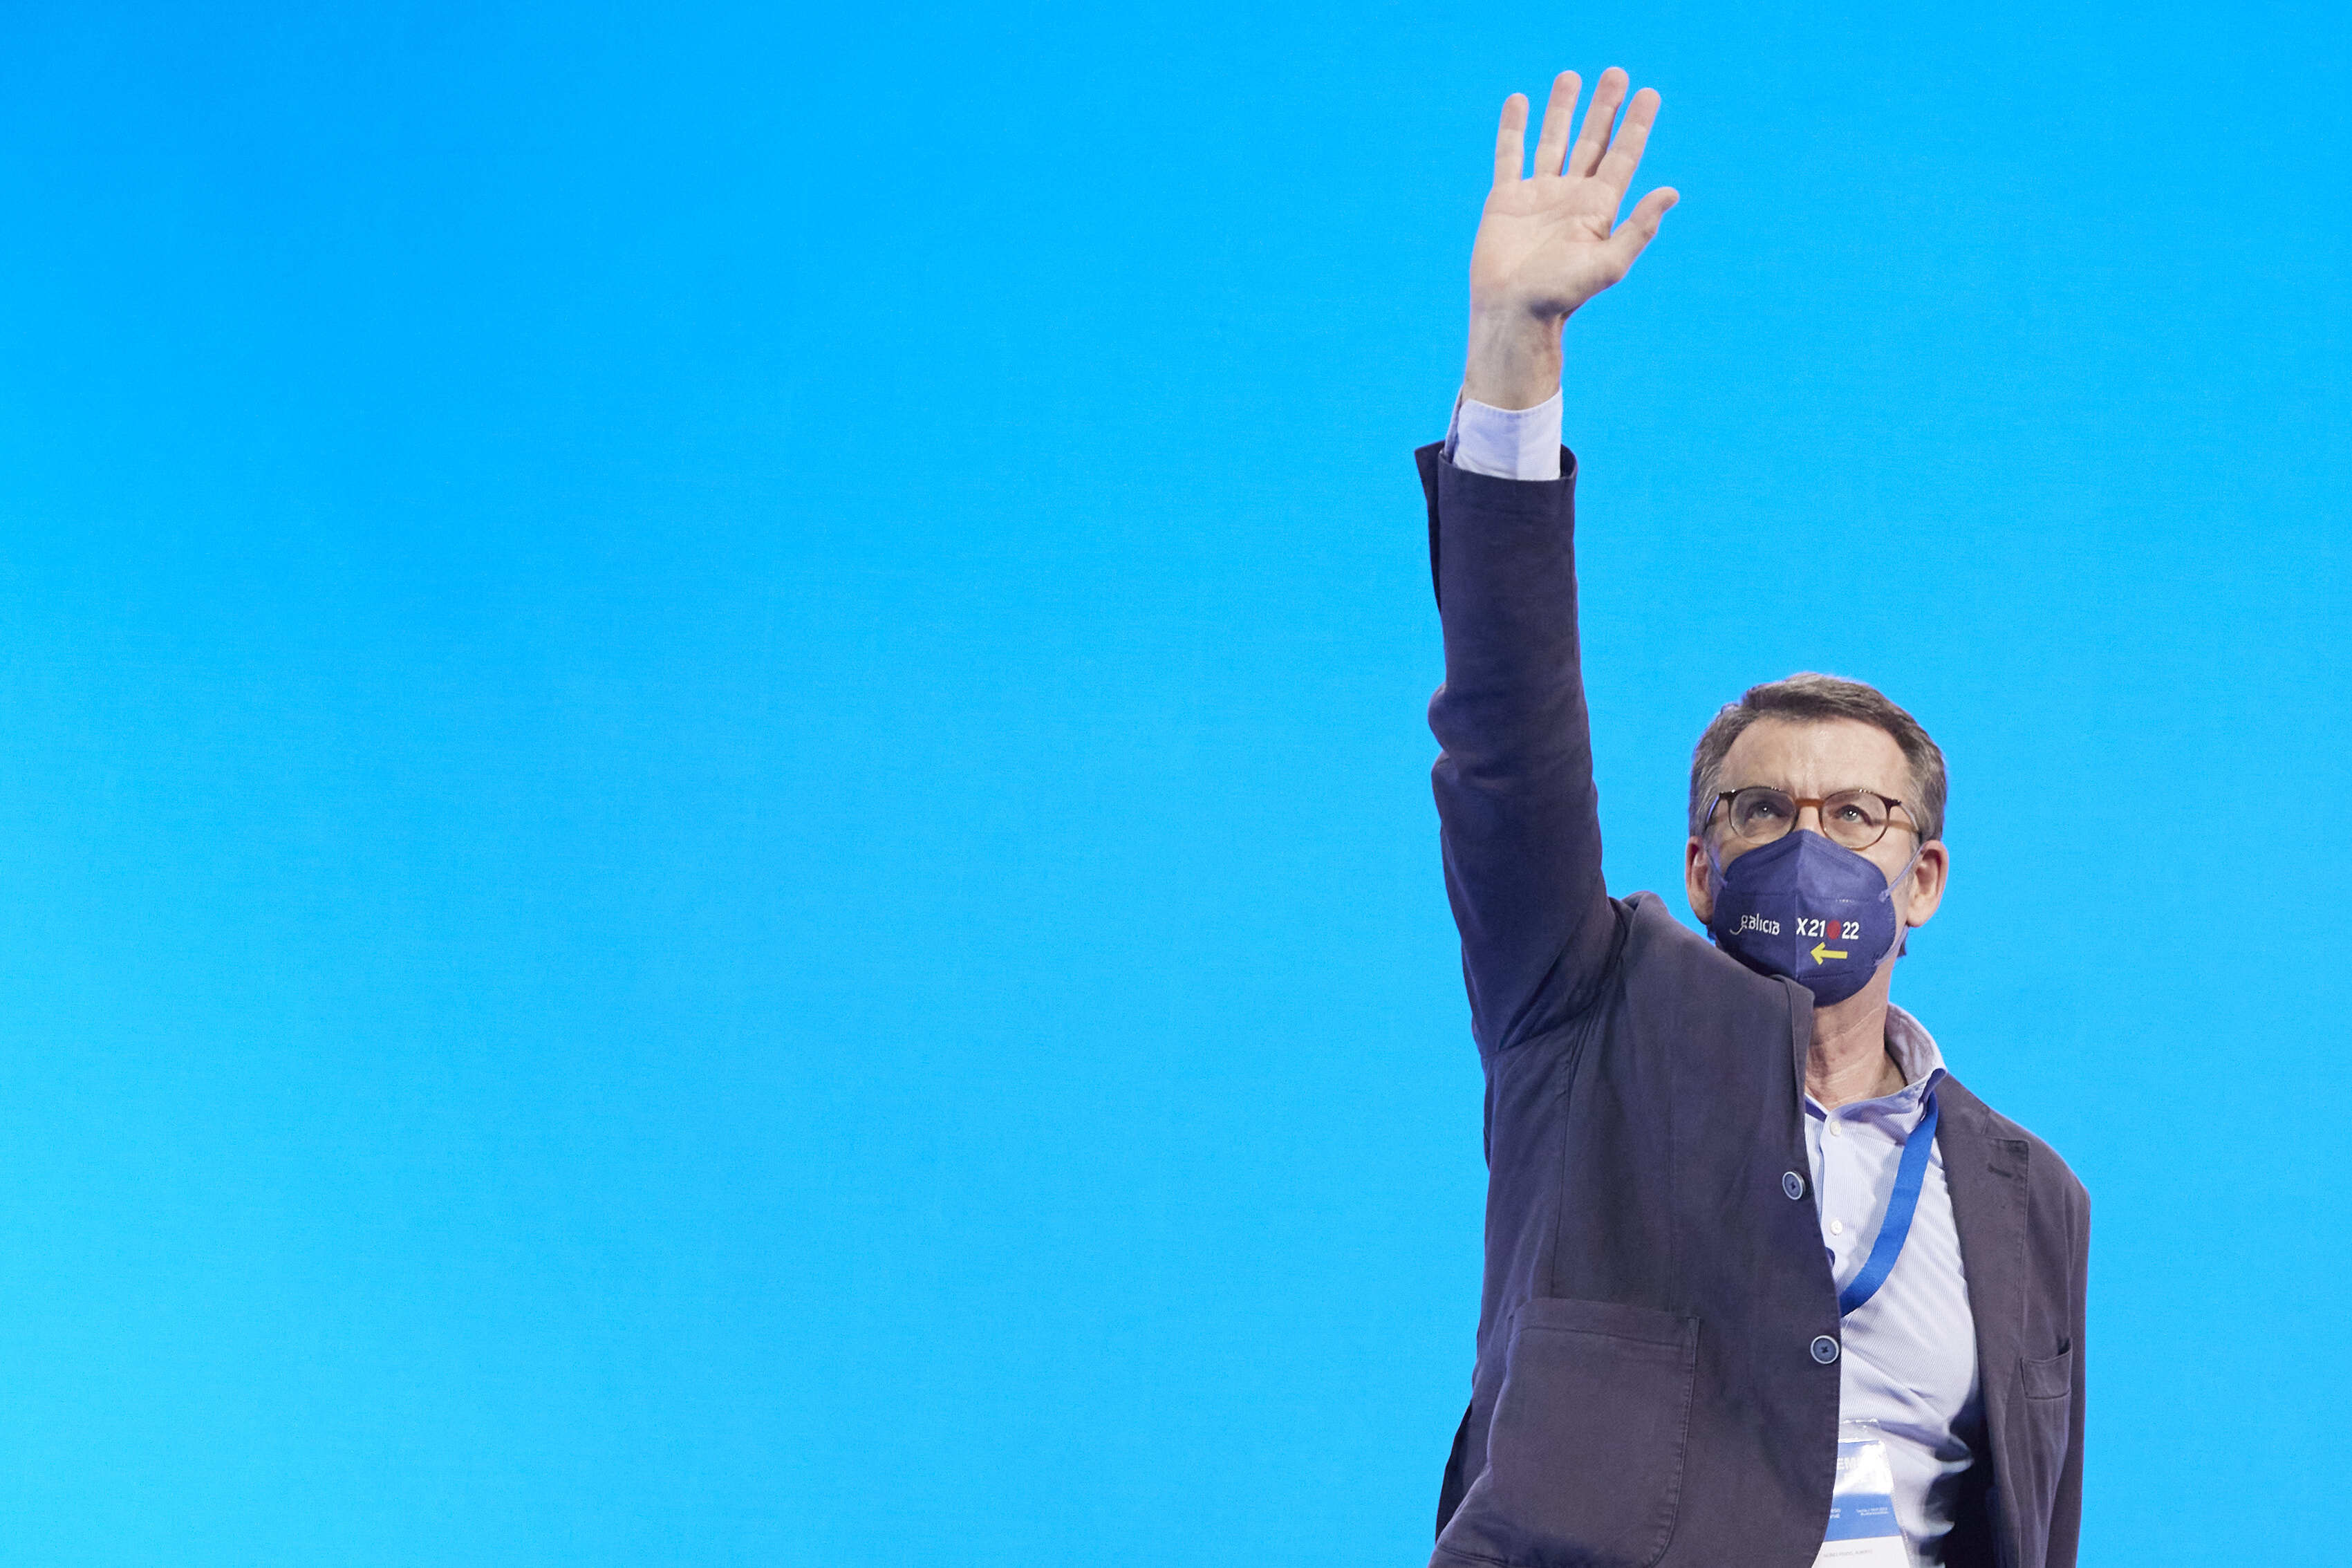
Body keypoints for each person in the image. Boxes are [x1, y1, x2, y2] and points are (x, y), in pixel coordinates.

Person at [1417, 67, 2088, 1568]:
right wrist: (1514, 351)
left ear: (1922, 879)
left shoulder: (2034, 1198)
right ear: (1696, 858)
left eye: (1855, 813)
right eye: (1758, 806)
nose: (1808, 839)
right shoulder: (1585, 1019)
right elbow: (1511, 745)